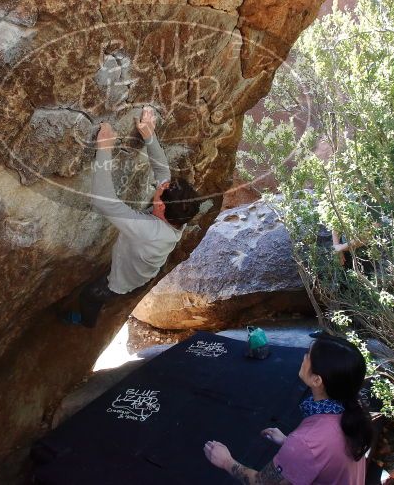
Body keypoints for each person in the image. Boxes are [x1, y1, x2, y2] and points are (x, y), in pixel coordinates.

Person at [72, 106, 200, 328]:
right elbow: (163, 174)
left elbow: (104, 201)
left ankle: (86, 323)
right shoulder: (179, 213)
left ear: (159, 206)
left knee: (91, 295)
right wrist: (149, 134)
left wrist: (104, 149)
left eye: (161, 191)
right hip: (145, 269)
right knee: (132, 279)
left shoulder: (148, 230)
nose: (160, 186)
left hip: (122, 281)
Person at [204, 333, 373, 484]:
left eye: (308, 355)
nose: (304, 356)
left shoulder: (306, 442)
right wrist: (288, 443)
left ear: (317, 380)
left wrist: (226, 461)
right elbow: (327, 454)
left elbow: (261, 483)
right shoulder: (351, 413)